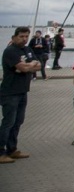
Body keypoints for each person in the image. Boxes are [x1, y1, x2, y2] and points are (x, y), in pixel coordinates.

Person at [0, 26, 42, 164]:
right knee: (8, 122)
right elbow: (23, 67)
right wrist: (27, 67)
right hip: (10, 92)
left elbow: (39, 65)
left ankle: (12, 149)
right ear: (14, 37)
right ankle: (1, 152)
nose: (24, 39)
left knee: (18, 122)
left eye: (26, 36)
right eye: (21, 36)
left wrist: (27, 66)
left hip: (23, 91)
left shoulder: (27, 49)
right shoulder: (10, 51)